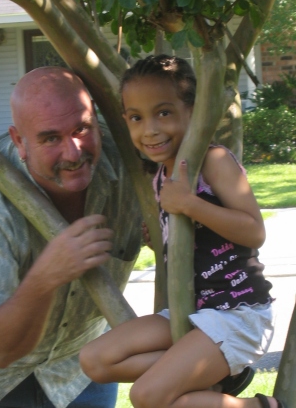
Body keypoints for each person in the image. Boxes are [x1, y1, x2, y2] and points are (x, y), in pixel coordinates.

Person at [0, 66, 144, 408]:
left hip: (78, 365)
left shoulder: (133, 166)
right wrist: (48, 275)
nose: (73, 152)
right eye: (50, 138)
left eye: (81, 129)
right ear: (19, 141)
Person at [80, 55, 283, 408]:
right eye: (136, 118)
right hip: (191, 311)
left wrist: (190, 204)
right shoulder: (162, 175)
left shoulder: (213, 161)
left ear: (193, 110)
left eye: (163, 112)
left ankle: (261, 406)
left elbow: (254, 232)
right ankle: (216, 376)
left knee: (148, 396)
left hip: (236, 312)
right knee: (95, 360)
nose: (150, 129)